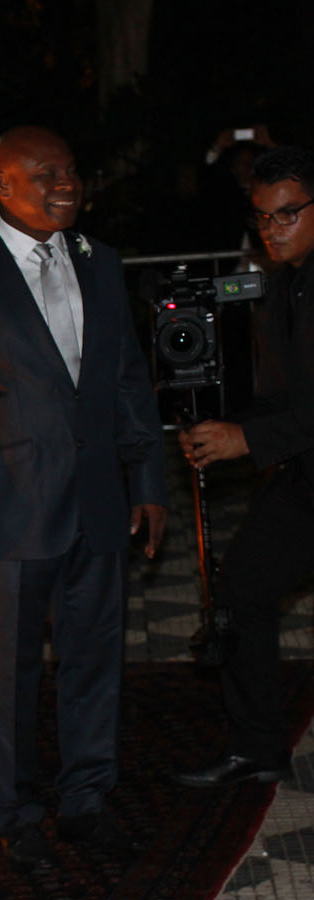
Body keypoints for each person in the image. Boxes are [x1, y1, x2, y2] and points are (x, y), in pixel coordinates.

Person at [0, 126, 168, 872]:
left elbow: (125, 381)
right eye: (47, 173)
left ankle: (87, 798)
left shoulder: (102, 263)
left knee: (95, 665)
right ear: (3, 183)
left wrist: (146, 482)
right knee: (6, 679)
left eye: (72, 171)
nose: (67, 184)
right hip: (4, 514)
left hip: (98, 504)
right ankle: (14, 813)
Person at [174, 146, 314, 788]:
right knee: (240, 593)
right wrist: (227, 428)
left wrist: (246, 439)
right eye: (262, 218)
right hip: (301, 473)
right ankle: (258, 747)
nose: (272, 230)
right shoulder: (286, 281)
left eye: (287, 215)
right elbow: (288, 394)